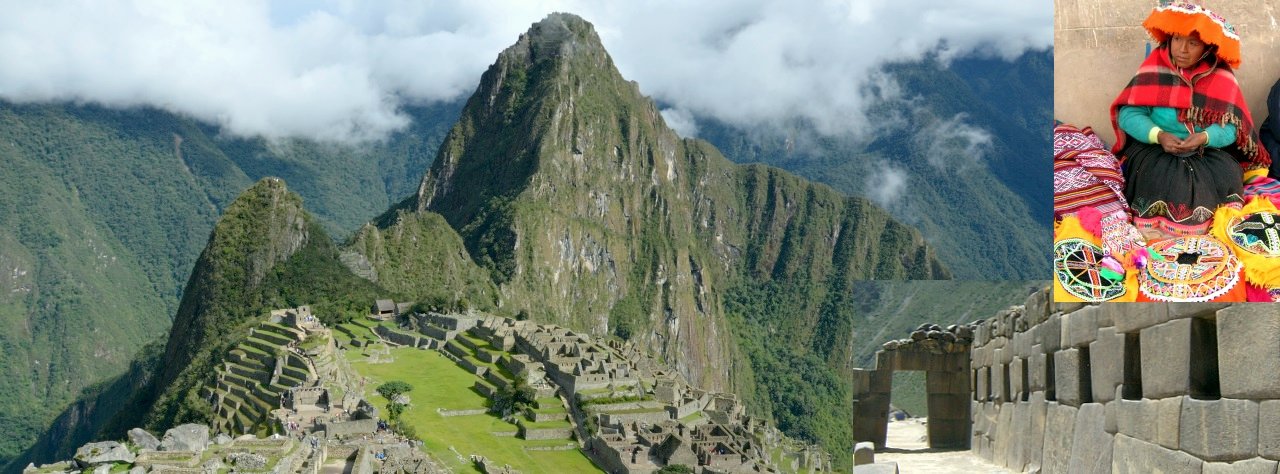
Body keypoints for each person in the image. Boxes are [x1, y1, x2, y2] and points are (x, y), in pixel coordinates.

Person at [1110, 2, 1270, 239]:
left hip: (1206, 153)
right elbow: (1129, 114)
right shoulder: (1155, 69)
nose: (1182, 49)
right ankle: (1155, 233)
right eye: (1176, 39)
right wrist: (1158, 135)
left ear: (1206, 48)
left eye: (1192, 43)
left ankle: (1209, 238)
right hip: (1155, 149)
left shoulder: (1220, 77)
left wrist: (1205, 137)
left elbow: (1232, 128)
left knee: (1223, 176)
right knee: (1156, 176)